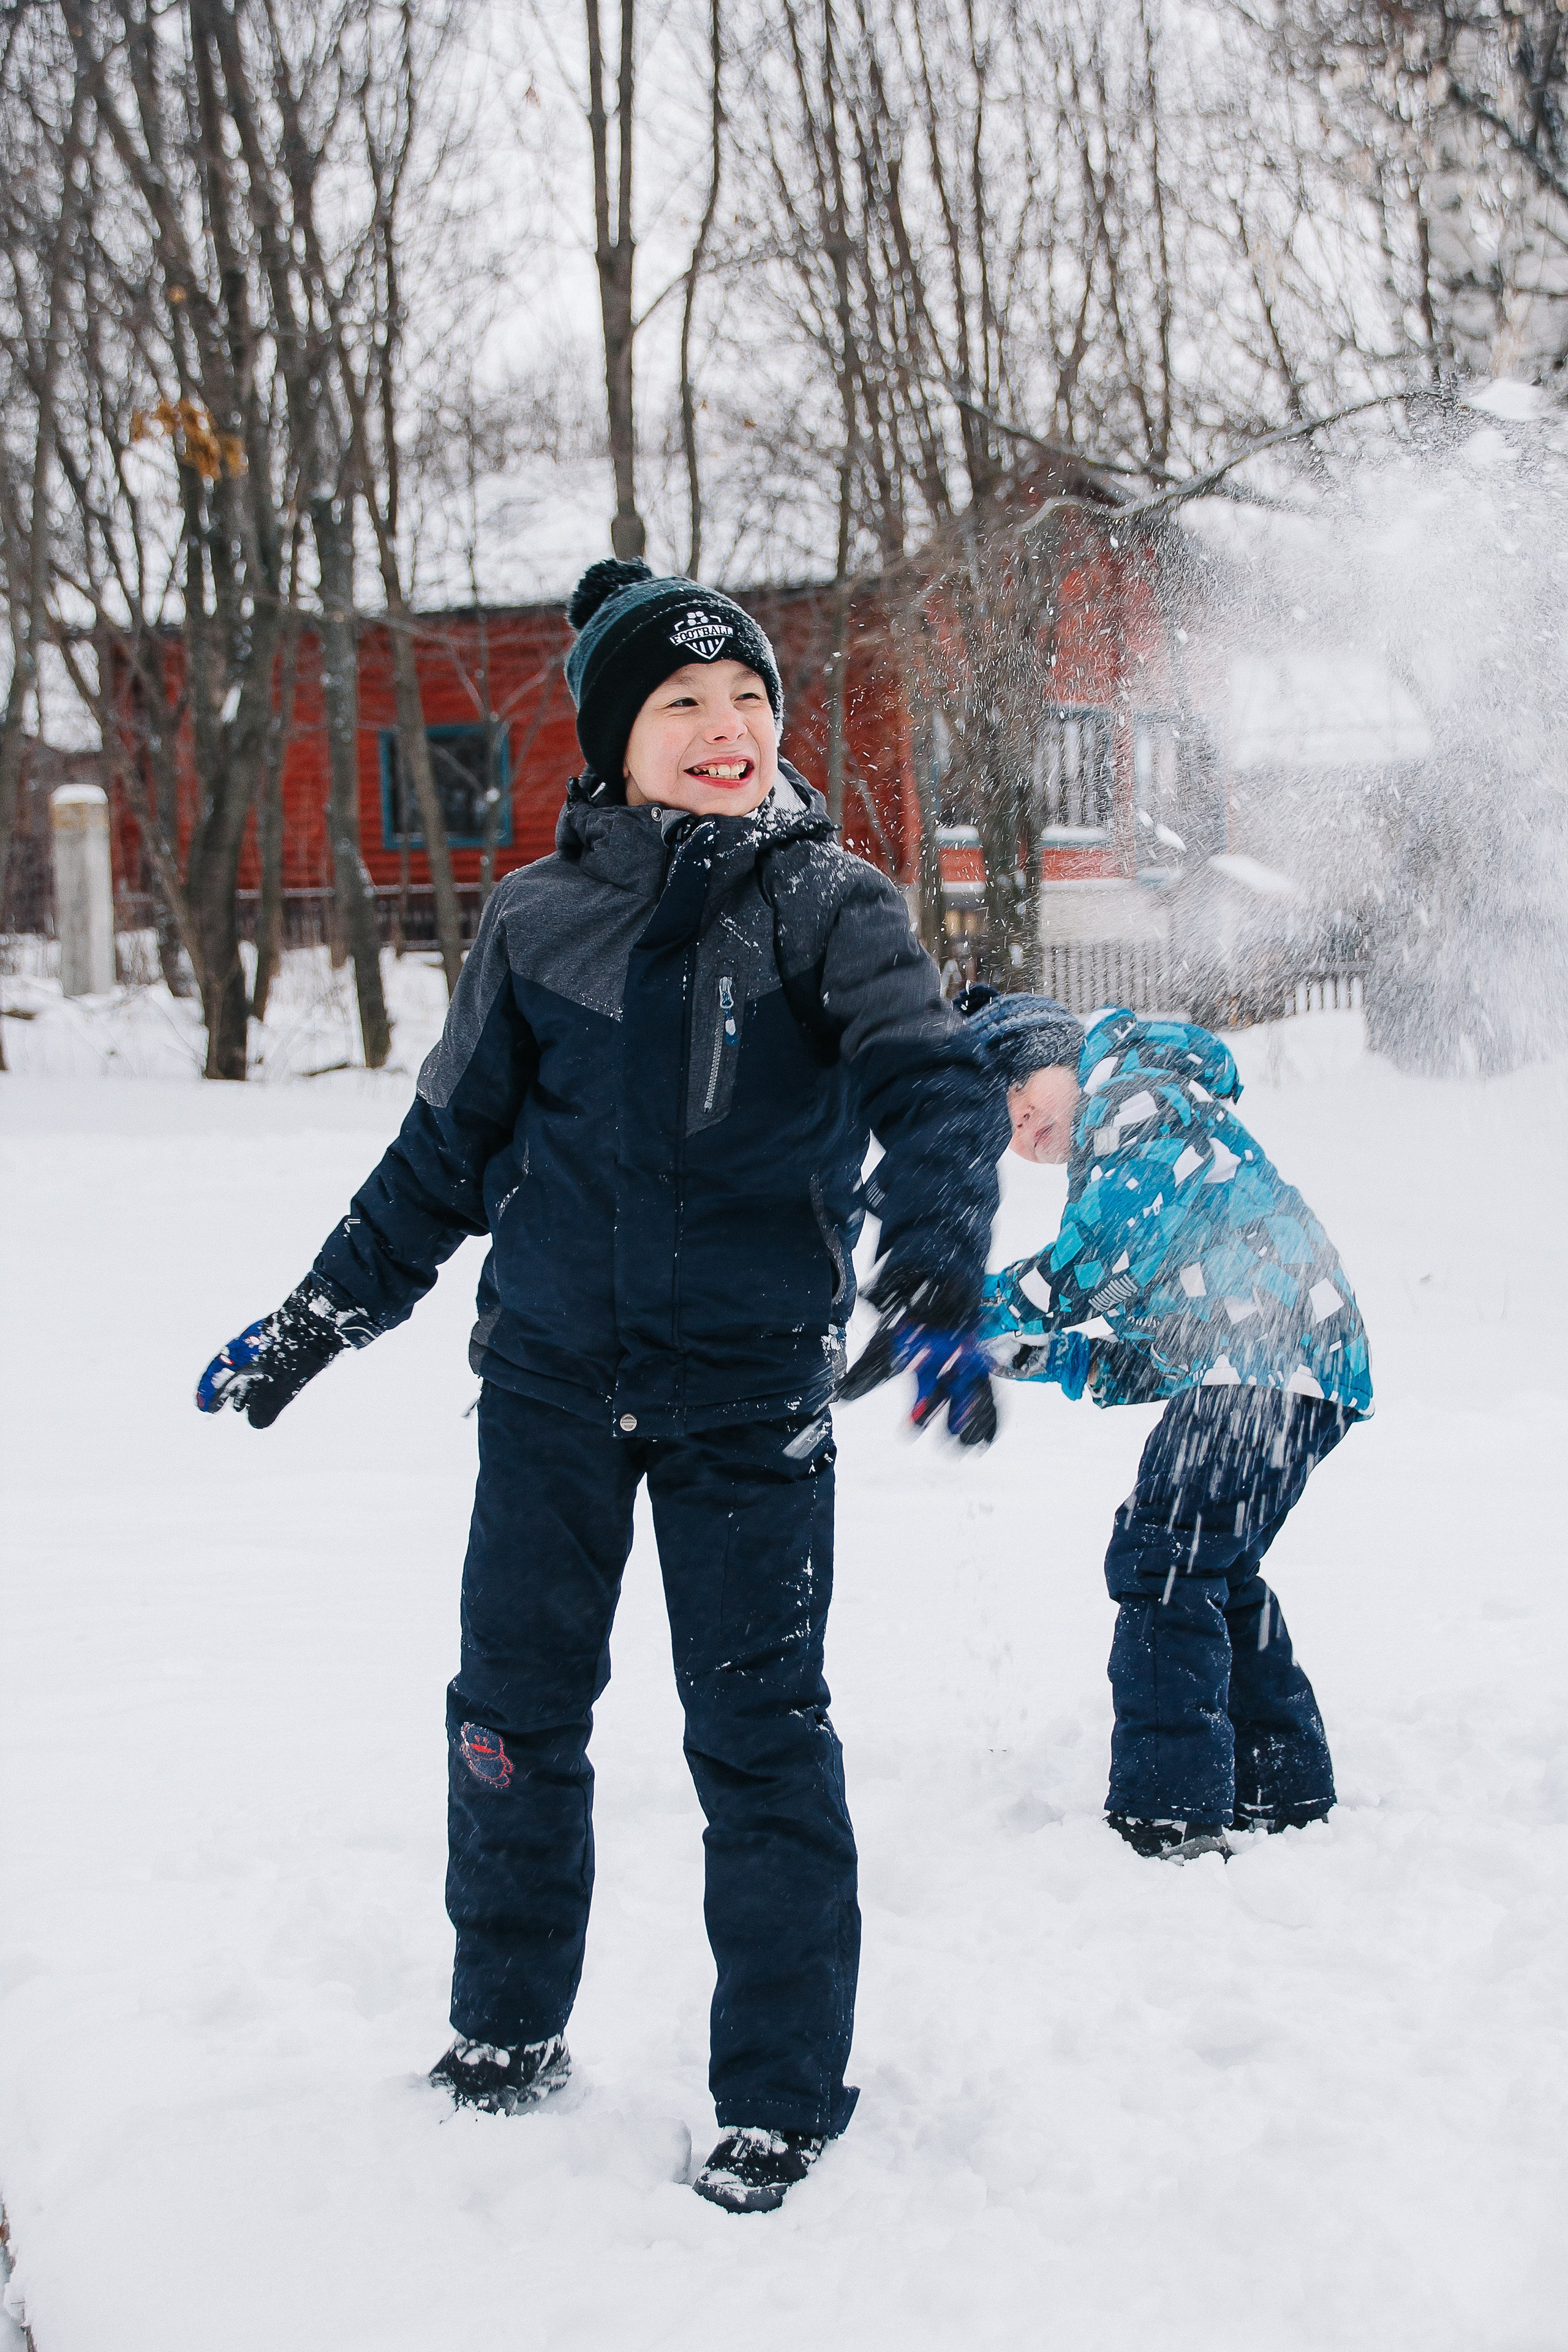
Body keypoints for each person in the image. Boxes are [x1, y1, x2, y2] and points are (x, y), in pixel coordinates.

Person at [195, 557, 1007, 2214]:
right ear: (614, 741)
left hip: (745, 1402)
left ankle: (780, 2097)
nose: (728, 729)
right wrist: (316, 1314)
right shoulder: (534, 917)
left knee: (761, 1741)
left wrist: (934, 1270)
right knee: (511, 1717)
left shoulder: (835, 909)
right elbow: (441, 1158)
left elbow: (934, 1092)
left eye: (750, 701)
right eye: (683, 704)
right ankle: (504, 2030)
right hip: (553, 1390)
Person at [965, 989, 1372, 1864]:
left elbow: (1094, 1263)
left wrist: (977, 1305)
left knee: (1163, 1559)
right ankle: (1281, 1784)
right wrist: (1035, 1356)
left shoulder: (1136, 1100)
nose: (1022, 1117)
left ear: (1066, 1059)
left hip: (1264, 1364)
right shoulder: (1130, 1144)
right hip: (1292, 1365)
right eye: (1001, 1120)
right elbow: (1157, 1350)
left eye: (1020, 1086)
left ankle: (1172, 1810)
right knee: (1213, 1564)